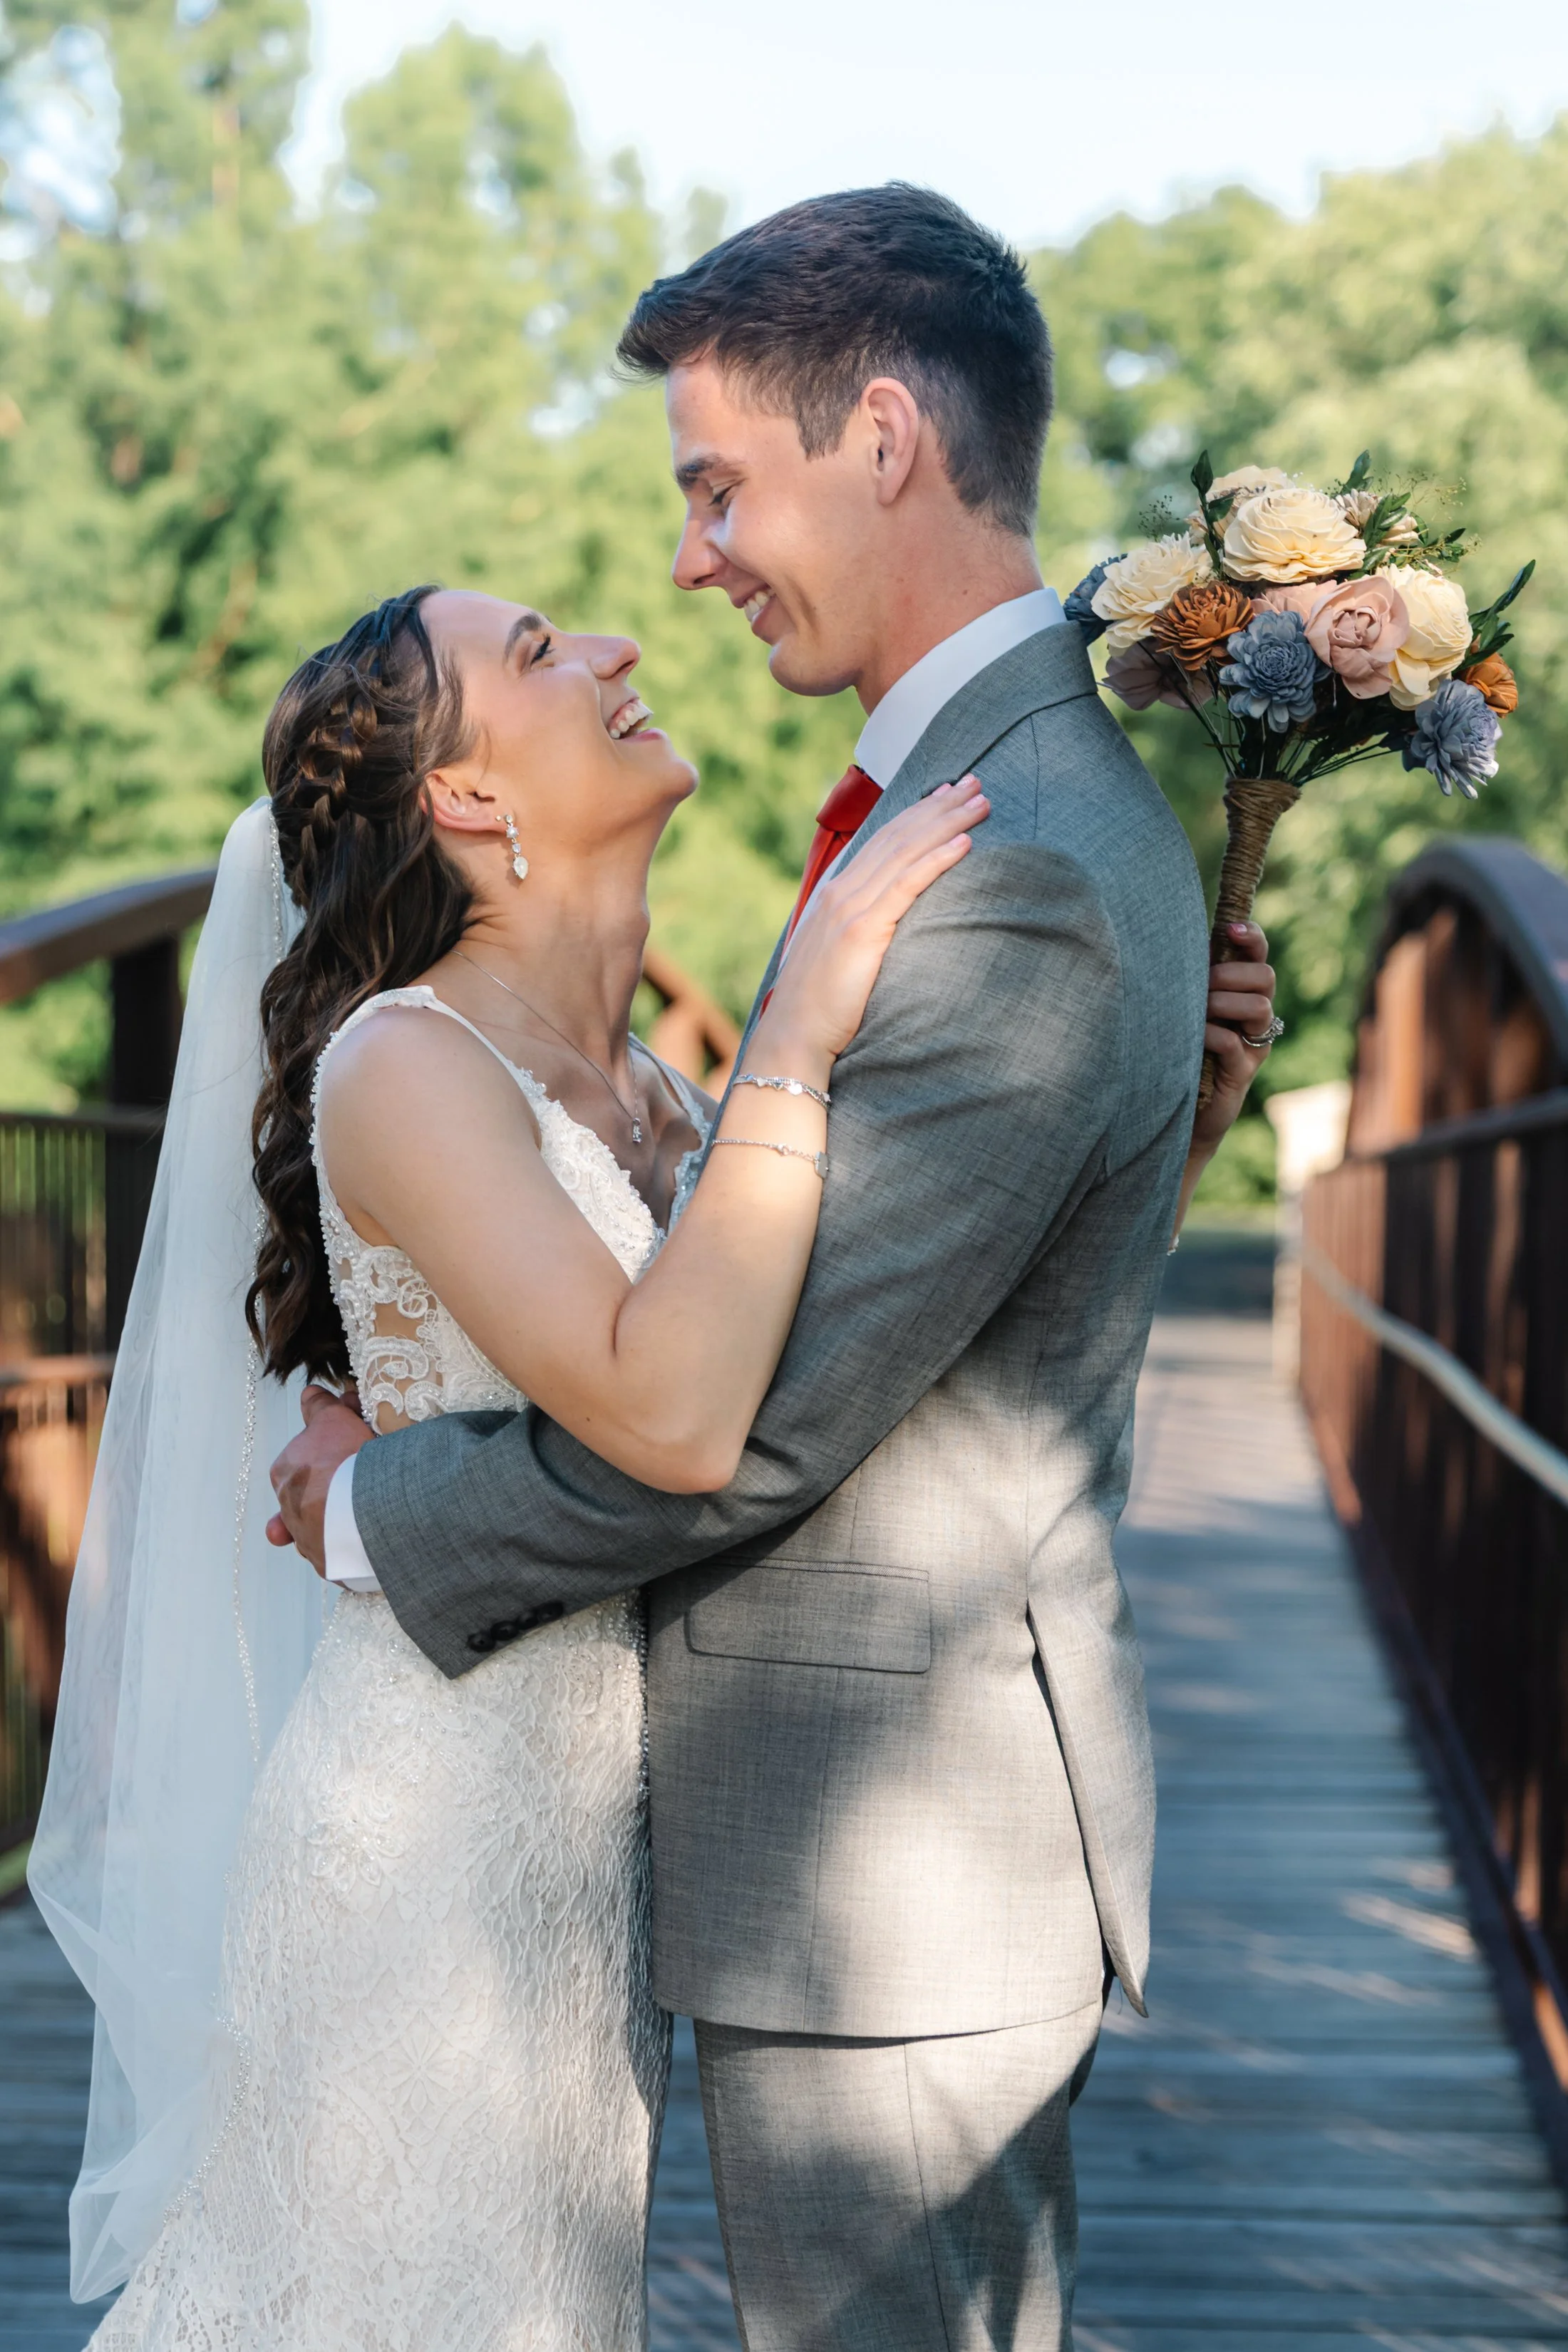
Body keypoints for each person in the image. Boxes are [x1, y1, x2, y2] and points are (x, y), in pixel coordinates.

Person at [269, 187, 1279, 2349]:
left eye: (719, 485)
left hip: (889, 1874)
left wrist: (369, 1507)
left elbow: (747, 1422)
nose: (683, 562)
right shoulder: (1010, 802)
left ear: (887, 437)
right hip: (823, 1839)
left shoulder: (1012, 863)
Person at [34, 581, 993, 2349]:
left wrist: (1176, 1110)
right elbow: (679, 1417)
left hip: (594, 1860)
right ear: (467, 802)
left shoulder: (648, 1086)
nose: (618, 652)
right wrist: (795, 1034)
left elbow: (843, 1355)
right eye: (544, 654)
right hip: (433, 1847)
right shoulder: (406, 1062)